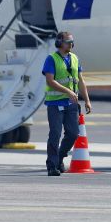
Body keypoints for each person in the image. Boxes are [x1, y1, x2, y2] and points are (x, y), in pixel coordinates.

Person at [42, 31, 92, 176]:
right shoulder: (51, 59)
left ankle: (59, 157)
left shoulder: (75, 59)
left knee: (73, 134)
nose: (71, 44)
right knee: (55, 134)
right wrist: (68, 92)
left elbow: (80, 81)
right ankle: (52, 165)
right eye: (68, 42)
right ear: (59, 43)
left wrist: (87, 100)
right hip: (55, 104)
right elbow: (50, 81)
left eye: (72, 42)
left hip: (71, 104)